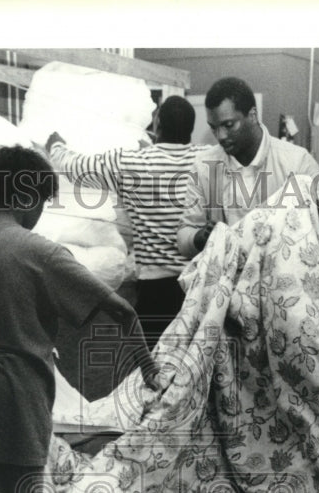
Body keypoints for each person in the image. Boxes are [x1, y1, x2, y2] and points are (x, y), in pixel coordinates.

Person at [0, 145, 159, 493]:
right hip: (13, 400)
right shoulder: (41, 253)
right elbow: (121, 310)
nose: (41, 212)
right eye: (43, 202)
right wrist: (148, 368)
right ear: (29, 197)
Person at [45, 95, 205, 345]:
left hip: (155, 292)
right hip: (200, 286)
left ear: (157, 124)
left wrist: (55, 146)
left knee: (156, 370)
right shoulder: (208, 160)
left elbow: (77, 168)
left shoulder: (130, 162)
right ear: (192, 128)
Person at [176, 76, 319, 260]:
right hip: (228, 286)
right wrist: (198, 238)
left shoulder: (298, 162)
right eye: (213, 127)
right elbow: (185, 233)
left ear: (252, 115)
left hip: (282, 285)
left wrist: (317, 215)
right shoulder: (204, 167)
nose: (220, 136)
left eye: (229, 125)